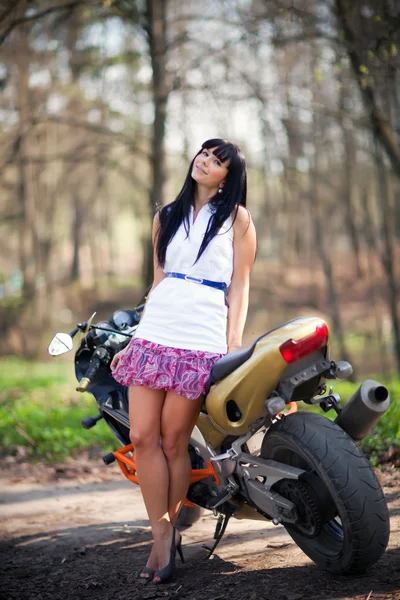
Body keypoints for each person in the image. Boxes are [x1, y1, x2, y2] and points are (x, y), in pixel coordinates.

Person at [110, 138, 257, 584]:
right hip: (157, 332)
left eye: (216, 161)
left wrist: (231, 342)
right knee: (142, 436)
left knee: (175, 441)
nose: (205, 162)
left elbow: (240, 286)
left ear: (227, 177)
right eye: (204, 154)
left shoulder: (237, 219)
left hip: (201, 336)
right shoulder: (166, 216)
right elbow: (158, 280)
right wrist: (136, 333)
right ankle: (163, 534)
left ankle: (165, 542)